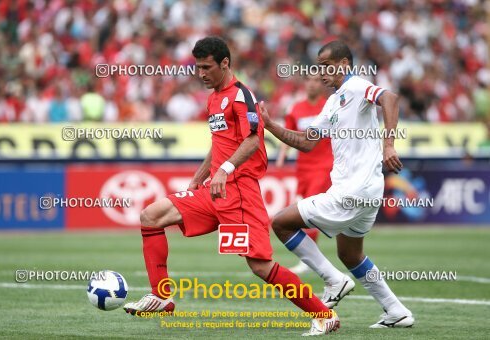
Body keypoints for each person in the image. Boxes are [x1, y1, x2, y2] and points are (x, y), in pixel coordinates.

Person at [124, 37, 340, 336]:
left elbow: (253, 138)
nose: (201, 74)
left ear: (225, 63)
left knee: (260, 267)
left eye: (206, 67)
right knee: (151, 216)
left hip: (239, 193)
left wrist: (225, 170)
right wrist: (201, 176)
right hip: (214, 190)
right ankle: (161, 295)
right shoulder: (214, 97)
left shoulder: (241, 96)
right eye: (197, 67)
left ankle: (324, 315)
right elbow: (220, 143)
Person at [260, 40, 414, 328]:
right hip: (366, 191)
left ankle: (334, 280)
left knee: (281, 223)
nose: (321, 74)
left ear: (344, 64)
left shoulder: (356, 86)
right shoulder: (333, 102)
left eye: (326, 66)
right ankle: (396, 311)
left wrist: (389, 144)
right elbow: (306, 143)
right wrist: (270, 126)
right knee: (350, 253)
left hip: (353, 190)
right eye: (318, 68)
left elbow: (390, 98)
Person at [276, 74, 334, 275]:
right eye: (309, 80)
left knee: (309, 211)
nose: (312, 84)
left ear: (323, 84)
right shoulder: (296, 108)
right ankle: (313, 258)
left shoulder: (330, 106)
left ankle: (309, 261)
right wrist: (283, 155)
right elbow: (288, 133)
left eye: (317, 80)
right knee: (305, 211)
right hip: (303, 168)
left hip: (324, 166)